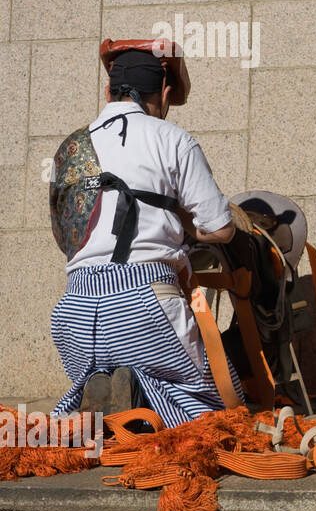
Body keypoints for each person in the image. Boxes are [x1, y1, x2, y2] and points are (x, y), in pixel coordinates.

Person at [49, 39, 243, 426]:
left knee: (104, 381)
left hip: (74, 312)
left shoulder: (68, 148)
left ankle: (102, 392)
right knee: (216, 404)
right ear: (165, 93)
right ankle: (137, 391)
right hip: (145, 304)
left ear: (109, 92)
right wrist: (186, 228)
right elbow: (221, 229)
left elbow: (64, 235)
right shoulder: (173, 139)